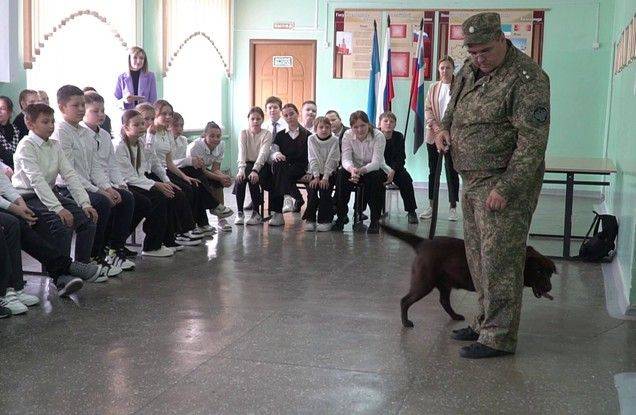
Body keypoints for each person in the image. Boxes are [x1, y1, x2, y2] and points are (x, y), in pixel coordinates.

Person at [435, 12, 551, 359]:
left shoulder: (527, 78)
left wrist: (508, 188)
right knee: (478, 257)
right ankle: (485, 320)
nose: (478, 58)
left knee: (501, 260)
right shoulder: (468, 70)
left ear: (502, 39)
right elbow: (451, 109)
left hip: (501, 183)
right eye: (471, 52)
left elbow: (532, 142)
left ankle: (498, 337)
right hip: (469, 179)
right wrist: (443, 129)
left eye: (484, 50)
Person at [11, 103, 104, 280]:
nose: (51, 126)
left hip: (50, 193)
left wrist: (85, 202)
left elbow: (70, 174)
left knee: (88, 219)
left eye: (52, 121)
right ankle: (61, 277)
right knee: (61, 224)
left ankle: (81, 267)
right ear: (30, 124)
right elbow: (36, 181)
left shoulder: (54, 145)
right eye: (45, 122)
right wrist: (57, 208)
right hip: (28, 197)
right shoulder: (26, 146)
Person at [51, 85, 129, 276]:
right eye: (75, 105)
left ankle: (111, 250)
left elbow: (95, 166)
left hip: (86, 186)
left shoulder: (85, 132)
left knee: (124, 198)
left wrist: (107, 187)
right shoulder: (61, 131)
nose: (80, 109)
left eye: (82, 105)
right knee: (102, 202)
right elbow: (69, 172)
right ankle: (88, 259)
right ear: (62, 108)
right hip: (66, 188)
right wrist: (99, 191)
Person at [1, 172, 105, 302]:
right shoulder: (25, 150)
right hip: (29, 193)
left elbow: (4, 183)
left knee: (35, 217)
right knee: (13, 224)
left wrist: (21, 206)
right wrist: (16, 209)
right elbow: (36, 180)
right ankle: (13, 289)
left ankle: (60, 277)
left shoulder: (56, 150)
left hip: (20, 199)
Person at [81, 91, 137, 268]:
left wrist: (120, 184)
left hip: (104, 181)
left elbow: (112, 164)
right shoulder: (81, 134)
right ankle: (95, 254)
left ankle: (115, 249)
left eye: (102, 110)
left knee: (128, 197)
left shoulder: (104, 135)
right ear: (85, 112)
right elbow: (90, 169)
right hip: (87, 183)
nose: (101, 114)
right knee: (104, 202)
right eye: (95, 111)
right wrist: (106, 188)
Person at [115, 109, 175, 257]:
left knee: (163, 195)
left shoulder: (141, 142)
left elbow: (149, 165)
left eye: (143, 123)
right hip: (123, 183)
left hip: (138, 182)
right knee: (151, 199)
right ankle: (144, 246)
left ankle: (159, 242)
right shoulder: (120, 146)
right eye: (137, 124)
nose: (142, 126)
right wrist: (155, 184)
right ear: (126, 127)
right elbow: (128, 177)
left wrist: (164, 181)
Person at [333, 111, 386, 234]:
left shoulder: (378, 136)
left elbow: (376, 162)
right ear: (351, 127)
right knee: (341, 175)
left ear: (368, 124)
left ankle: (374, 220)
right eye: (355, 127)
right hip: (354, 169)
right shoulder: (347, 135)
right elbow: (345, 159)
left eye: (363, 125)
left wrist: (361, 171)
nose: (360, 129)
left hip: (372, 169)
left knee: (376, 178)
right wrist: (352, 170)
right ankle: (341, 217)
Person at [423, 55, 461, 221]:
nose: (445, 71)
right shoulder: (433, 87)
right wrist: (437, 128)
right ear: (439, 70)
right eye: (442, 68)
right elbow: (428, 109)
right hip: (434, 134)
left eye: (448, 67)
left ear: (454, 69)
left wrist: (448, 129)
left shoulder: (460, 86)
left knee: (451, 171)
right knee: (433, 171)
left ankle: (453, 207)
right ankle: (432, 205)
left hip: (454, 135)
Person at [262, 103, 311, 226]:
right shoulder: (280, 135)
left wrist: (310, 172)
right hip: (284, 167)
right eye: (286, 115)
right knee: (279, 165)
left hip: (300, 168)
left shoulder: (308, 135)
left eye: (291, 114)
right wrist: (277, 154)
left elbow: (312, 157)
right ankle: (288, 199)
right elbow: (273, 150)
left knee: (277, 177)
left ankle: (279, 212)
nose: (289, 117)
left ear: (297, 113)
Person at [184, 121, 234, 232]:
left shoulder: (221, 145)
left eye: (218, 136)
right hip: (189, 172)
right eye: (211, 136)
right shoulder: (196, 146)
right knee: (201, 184)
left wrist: (225, 178)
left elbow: (215, 169)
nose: (216, 139)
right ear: (204, 136)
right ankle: (204, 217)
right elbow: (200, 171)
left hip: (203, 171)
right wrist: (220, 178)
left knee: (218, 182)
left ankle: (221, 219)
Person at [233, 107, 272, 226]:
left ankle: (256, 213)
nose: (255, 121)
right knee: (240, 178)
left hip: (262, 166)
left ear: (262, 120)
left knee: (253, 178)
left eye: (258, 119)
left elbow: (263, 154)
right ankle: (240, 212)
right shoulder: (243, 133)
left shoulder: (267, 134)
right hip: (247, 164)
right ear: (248, 120)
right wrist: (241, 169)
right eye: (252, 119)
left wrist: (255, 170)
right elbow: (242, 153)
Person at [378, 112, 418, 224]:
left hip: (396, 168)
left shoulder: (399, 136)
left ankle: (411, 211)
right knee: (375, 179)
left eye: (391, 121)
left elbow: (401, 157)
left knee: (406, 180)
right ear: (380, 123)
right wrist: (387, 170)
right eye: (385, 121)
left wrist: (393, 171)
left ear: (395, 124)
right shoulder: (375, 135)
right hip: (379, 167)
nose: (388, 123)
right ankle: (377, 212)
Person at [303, 116, 339, 232]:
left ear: (330, 129)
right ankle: (310, 219)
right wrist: (317, 176)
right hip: (315, 171)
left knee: (325, 191)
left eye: (327, 127)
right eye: (321, 127)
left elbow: (333, 159)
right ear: (316, 128)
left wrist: (325, 177)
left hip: (330, 173)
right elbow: (312, 158)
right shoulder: (311, 139)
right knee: (312, 191)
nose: (324, 130)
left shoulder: (335, 140)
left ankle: (325, 220)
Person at [0, 96, 20, 169]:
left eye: (2, 108)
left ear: (10, 112)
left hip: (16, 166)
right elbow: (3, 154)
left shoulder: (15, 129)